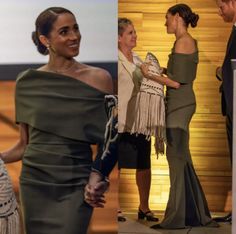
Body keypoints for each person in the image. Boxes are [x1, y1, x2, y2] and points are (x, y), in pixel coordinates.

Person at [0, 7, 114, 234]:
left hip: (76, 183)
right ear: (45, 40)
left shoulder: (100, 79)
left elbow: (110, 139)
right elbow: (24, 145)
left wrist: (98, 175)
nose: (74, 36)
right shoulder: (27, 82)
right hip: (35, 184)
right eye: (64, 32)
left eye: (76, 28)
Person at [141, 4, 219, 229]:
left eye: (167, 18)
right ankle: (194, 214)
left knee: (176, 161)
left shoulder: (184, 42)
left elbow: (177, 83)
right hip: (179, 104)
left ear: (177, 17)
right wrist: (163, 70)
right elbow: (178, 76)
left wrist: (151, 75)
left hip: (179, 106)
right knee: (182, 160)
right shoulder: (184, 42)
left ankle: (176, 218)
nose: (165, 23)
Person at [118, 18, 179, 222]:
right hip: (121, 120)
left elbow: (149, 78)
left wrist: (160, 71)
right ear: (119, 38)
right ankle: (115, 208)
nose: (135, 35)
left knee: (143, 164)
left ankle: (144, 207)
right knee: (116, 164)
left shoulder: (138, 59)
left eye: (135, 32)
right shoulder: (115, 61)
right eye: (130, 33)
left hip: (141, 120)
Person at [213, 0, 236, 223]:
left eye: (221, 7)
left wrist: (223, 72)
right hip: (231, 106)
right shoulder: (234, 30)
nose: (219, 12)